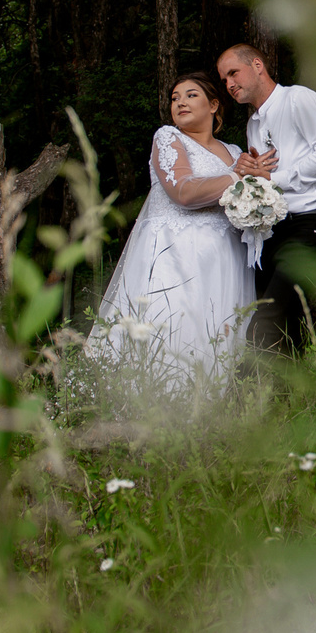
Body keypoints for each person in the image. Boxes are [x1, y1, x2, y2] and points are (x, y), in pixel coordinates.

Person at [76, 71, 254, 397]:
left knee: (216, 329)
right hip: (174, 253)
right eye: (175, 98)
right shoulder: (169, 138)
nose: (180, 102)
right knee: (171, 326)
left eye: (191, 95)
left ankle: (209, 409)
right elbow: (183, 191)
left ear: (214, 105)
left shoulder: (233, 151)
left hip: (223, 258)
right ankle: (148, 407)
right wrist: (236, 179)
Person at [217, 43, 316, 349]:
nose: (229, 84)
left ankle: (243, 381)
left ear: (257, 65)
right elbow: (263, 178)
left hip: (306, 227)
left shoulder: (297, 99)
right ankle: (290, 382)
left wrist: (275, 178)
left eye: (233, 73)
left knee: (265, 321)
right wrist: (249, 173)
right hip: (269, 234)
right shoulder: (253, 124)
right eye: (224, 80)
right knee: (287, 334)